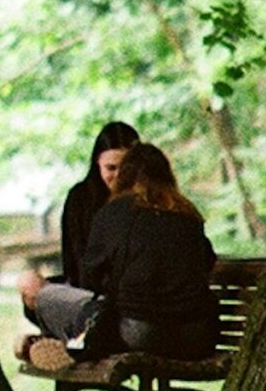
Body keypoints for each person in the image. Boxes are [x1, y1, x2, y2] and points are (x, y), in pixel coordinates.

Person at [18, 140, 215, 370]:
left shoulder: (114, 212)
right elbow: (207, 261)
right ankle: (69, 344)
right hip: (197, 336)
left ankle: (64, 344)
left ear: (125, 175)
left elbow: (90, 280)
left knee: (43, 295)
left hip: (140, 334)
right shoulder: (188, 214)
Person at [15, 121, 140, 331]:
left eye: (125, 168)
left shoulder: (148, 199)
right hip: (87, 289)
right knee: (32, 288)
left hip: (130, 297)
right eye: (111, 168)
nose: (118, 177)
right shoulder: (81, 199)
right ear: (97, 164)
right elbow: (76, 261)